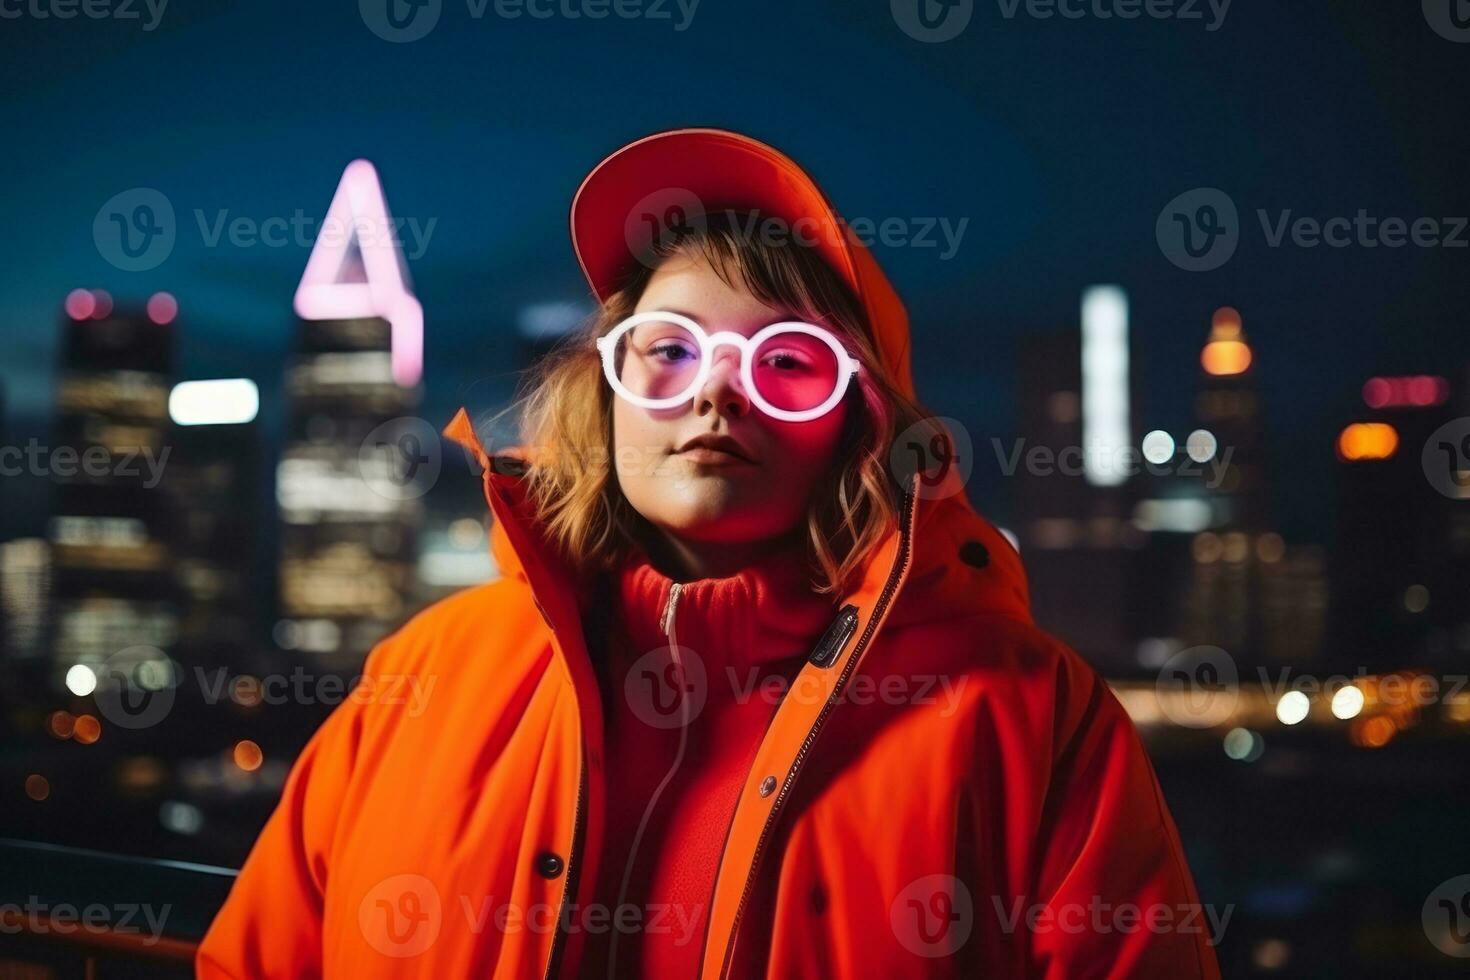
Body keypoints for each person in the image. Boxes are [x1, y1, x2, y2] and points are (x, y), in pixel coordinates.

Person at [196, 128, 1221, 979]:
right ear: (606, 385)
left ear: (861, 420)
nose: (716, 392)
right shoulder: (424, 672)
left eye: (787, 361)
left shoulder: (1026, 716)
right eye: (670, 348)